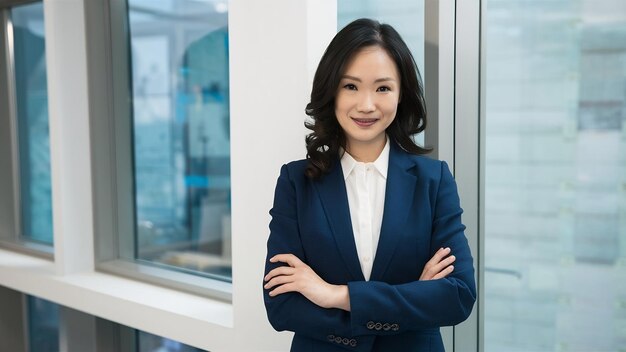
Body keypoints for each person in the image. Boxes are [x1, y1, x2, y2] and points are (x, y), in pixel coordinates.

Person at [263, 18, 476, 352]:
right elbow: (281, 306)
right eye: (351, 86)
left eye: (383, 88)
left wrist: (335, 294)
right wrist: (411, 299)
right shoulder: (296, 183)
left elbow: (458, 296)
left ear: (401, 94)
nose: (366, 105)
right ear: (331, 90)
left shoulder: (434, 182)